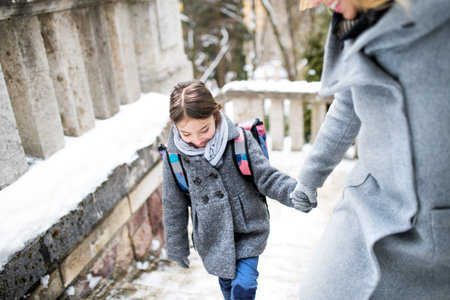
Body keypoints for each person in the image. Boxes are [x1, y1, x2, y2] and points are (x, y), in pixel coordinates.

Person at [290, 0, 450, 298]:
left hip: (440, 236)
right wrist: (310, 177)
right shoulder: (353, 22)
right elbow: (347, 105)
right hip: (369, 211)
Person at [161, 80, 298, 300]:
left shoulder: (239, 141)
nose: (197, 141)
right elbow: (173, 205)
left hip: (248, 230)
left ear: (216, 113)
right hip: (211, 237)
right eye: (186, 134)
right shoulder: (174, 158)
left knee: (244, 287)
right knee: (228, 288)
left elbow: (267, 177)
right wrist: (178, 247)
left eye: (204, 130)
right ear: (175, 126)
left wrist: (294, 192)